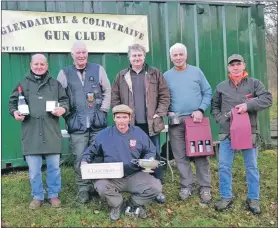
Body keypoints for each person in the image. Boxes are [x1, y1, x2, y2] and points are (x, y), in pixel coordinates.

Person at [211, 54, 272, 214]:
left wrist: (248, 105)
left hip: (249, 133)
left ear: (244, 66)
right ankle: (226, 197)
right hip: (226, 134)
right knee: (224, 166)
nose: (236, 67)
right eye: (232, 65)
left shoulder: (254, 84)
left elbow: (267, 99)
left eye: (238, 64)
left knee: (251, 167)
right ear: (228, 68)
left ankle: (253, 198)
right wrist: (221, 120)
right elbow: (214, 107)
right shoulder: (221, 87)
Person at [8, 54, 69, 209]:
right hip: (31, 133)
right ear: (31, 65)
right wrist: (15, 112)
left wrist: (63, 108)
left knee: (54, 167)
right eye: (36, 64)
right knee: (34, 170)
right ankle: (37, 196)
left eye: (42, 64)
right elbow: (12, 103)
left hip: (51, 132)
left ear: (47, 66)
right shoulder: (22, 84)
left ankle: (53, 195)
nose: (39, 67)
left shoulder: (55, 84)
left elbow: (65, 100)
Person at [111, 44, 170, 204]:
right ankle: (136, 185)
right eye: (134, 56)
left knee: (154, 155)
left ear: (144, 57)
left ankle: (157, 188)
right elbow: (115, 99)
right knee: (133, 156)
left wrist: (160, 112)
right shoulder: (121, 76)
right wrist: (122, 117)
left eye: (139, 55)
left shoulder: (154, 73)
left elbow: (165, 95)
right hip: (131, 126)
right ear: (129, 58)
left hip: (151, 124)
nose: (137, 58)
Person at [81, 104, 162, 221]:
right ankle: (118, 204)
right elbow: (90, 151)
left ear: (130, 118)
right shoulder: (104, 134)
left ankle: (134, 203)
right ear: (114, 118)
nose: (121, 121)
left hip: (134, 174)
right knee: (101, 186)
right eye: (118, 117)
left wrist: (149, 159)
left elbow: (151, 150)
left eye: (125, 117)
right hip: (112, 176)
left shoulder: (138, 133)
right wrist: (84, 161)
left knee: (156, 187)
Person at [57, 41, 111, 203]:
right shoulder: (64, 73)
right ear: (72, 54)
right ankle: (83, 189)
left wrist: (103, 110)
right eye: (78, 52)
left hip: (97, 123)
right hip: (77, 124)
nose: (81, 55)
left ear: (87, 53)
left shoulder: (98, 69)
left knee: (98, 155)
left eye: (84, 52)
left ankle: (97, 187)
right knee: (80, 157)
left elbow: (108, 90)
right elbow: (60, 97)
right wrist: (67, 115)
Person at [164, 43, 213, 203]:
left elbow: (208, 92)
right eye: (175, 55)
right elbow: (163, 98)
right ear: (171, 57)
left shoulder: (196, 72)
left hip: (196, 120)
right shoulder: (166, 76)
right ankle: (186, 185)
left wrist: (201, 109)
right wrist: (167, 111)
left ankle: (205, 187)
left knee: (200, 155)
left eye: (180, 54)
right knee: (180, 156)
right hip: (176, 122)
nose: (178, 57)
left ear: (186, 56)